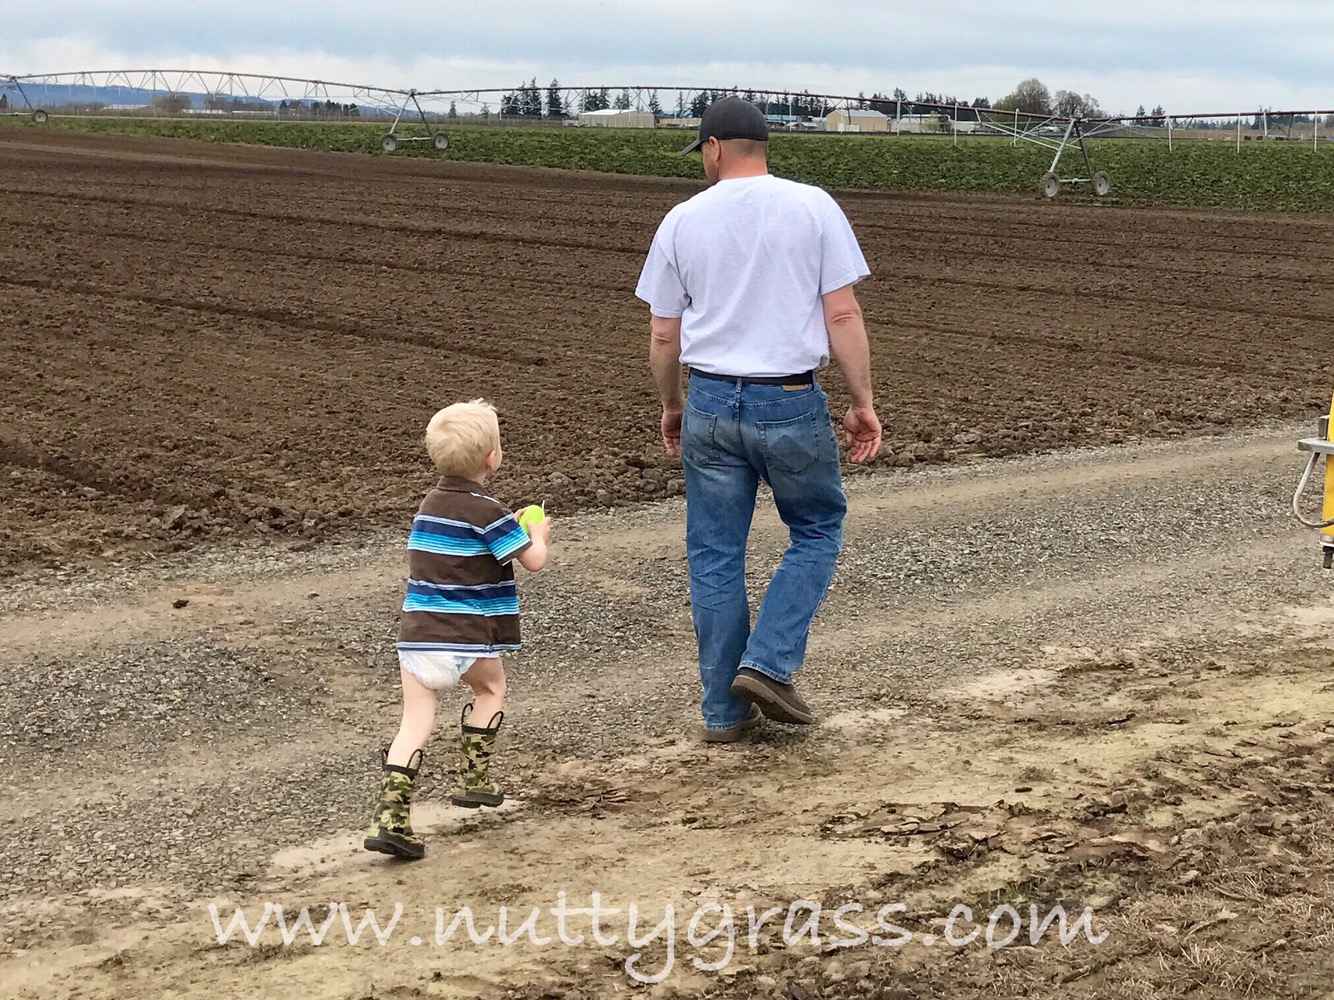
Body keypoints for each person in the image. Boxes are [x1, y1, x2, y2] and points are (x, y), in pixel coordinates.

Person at [635, 96, 882, 743]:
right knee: (817, 529)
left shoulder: (681, 221)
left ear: (714, 148)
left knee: (715, 553)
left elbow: (663, 335)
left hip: (711, 401)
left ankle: (724, 713)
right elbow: (843, 314)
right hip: (790, 399)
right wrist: (861, 401)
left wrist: (673, 406)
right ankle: (768, 663)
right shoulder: (814, 207)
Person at [363, 398, 551, 860]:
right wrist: (538, 533)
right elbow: (533, 561)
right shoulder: (490, 511)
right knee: (490, 690)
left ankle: (391, 819)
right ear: (493, 457)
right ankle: (474, 778)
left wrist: (512, 529)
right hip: (469, 636)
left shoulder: (427, 506)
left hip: (417, 635)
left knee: (414, 723)